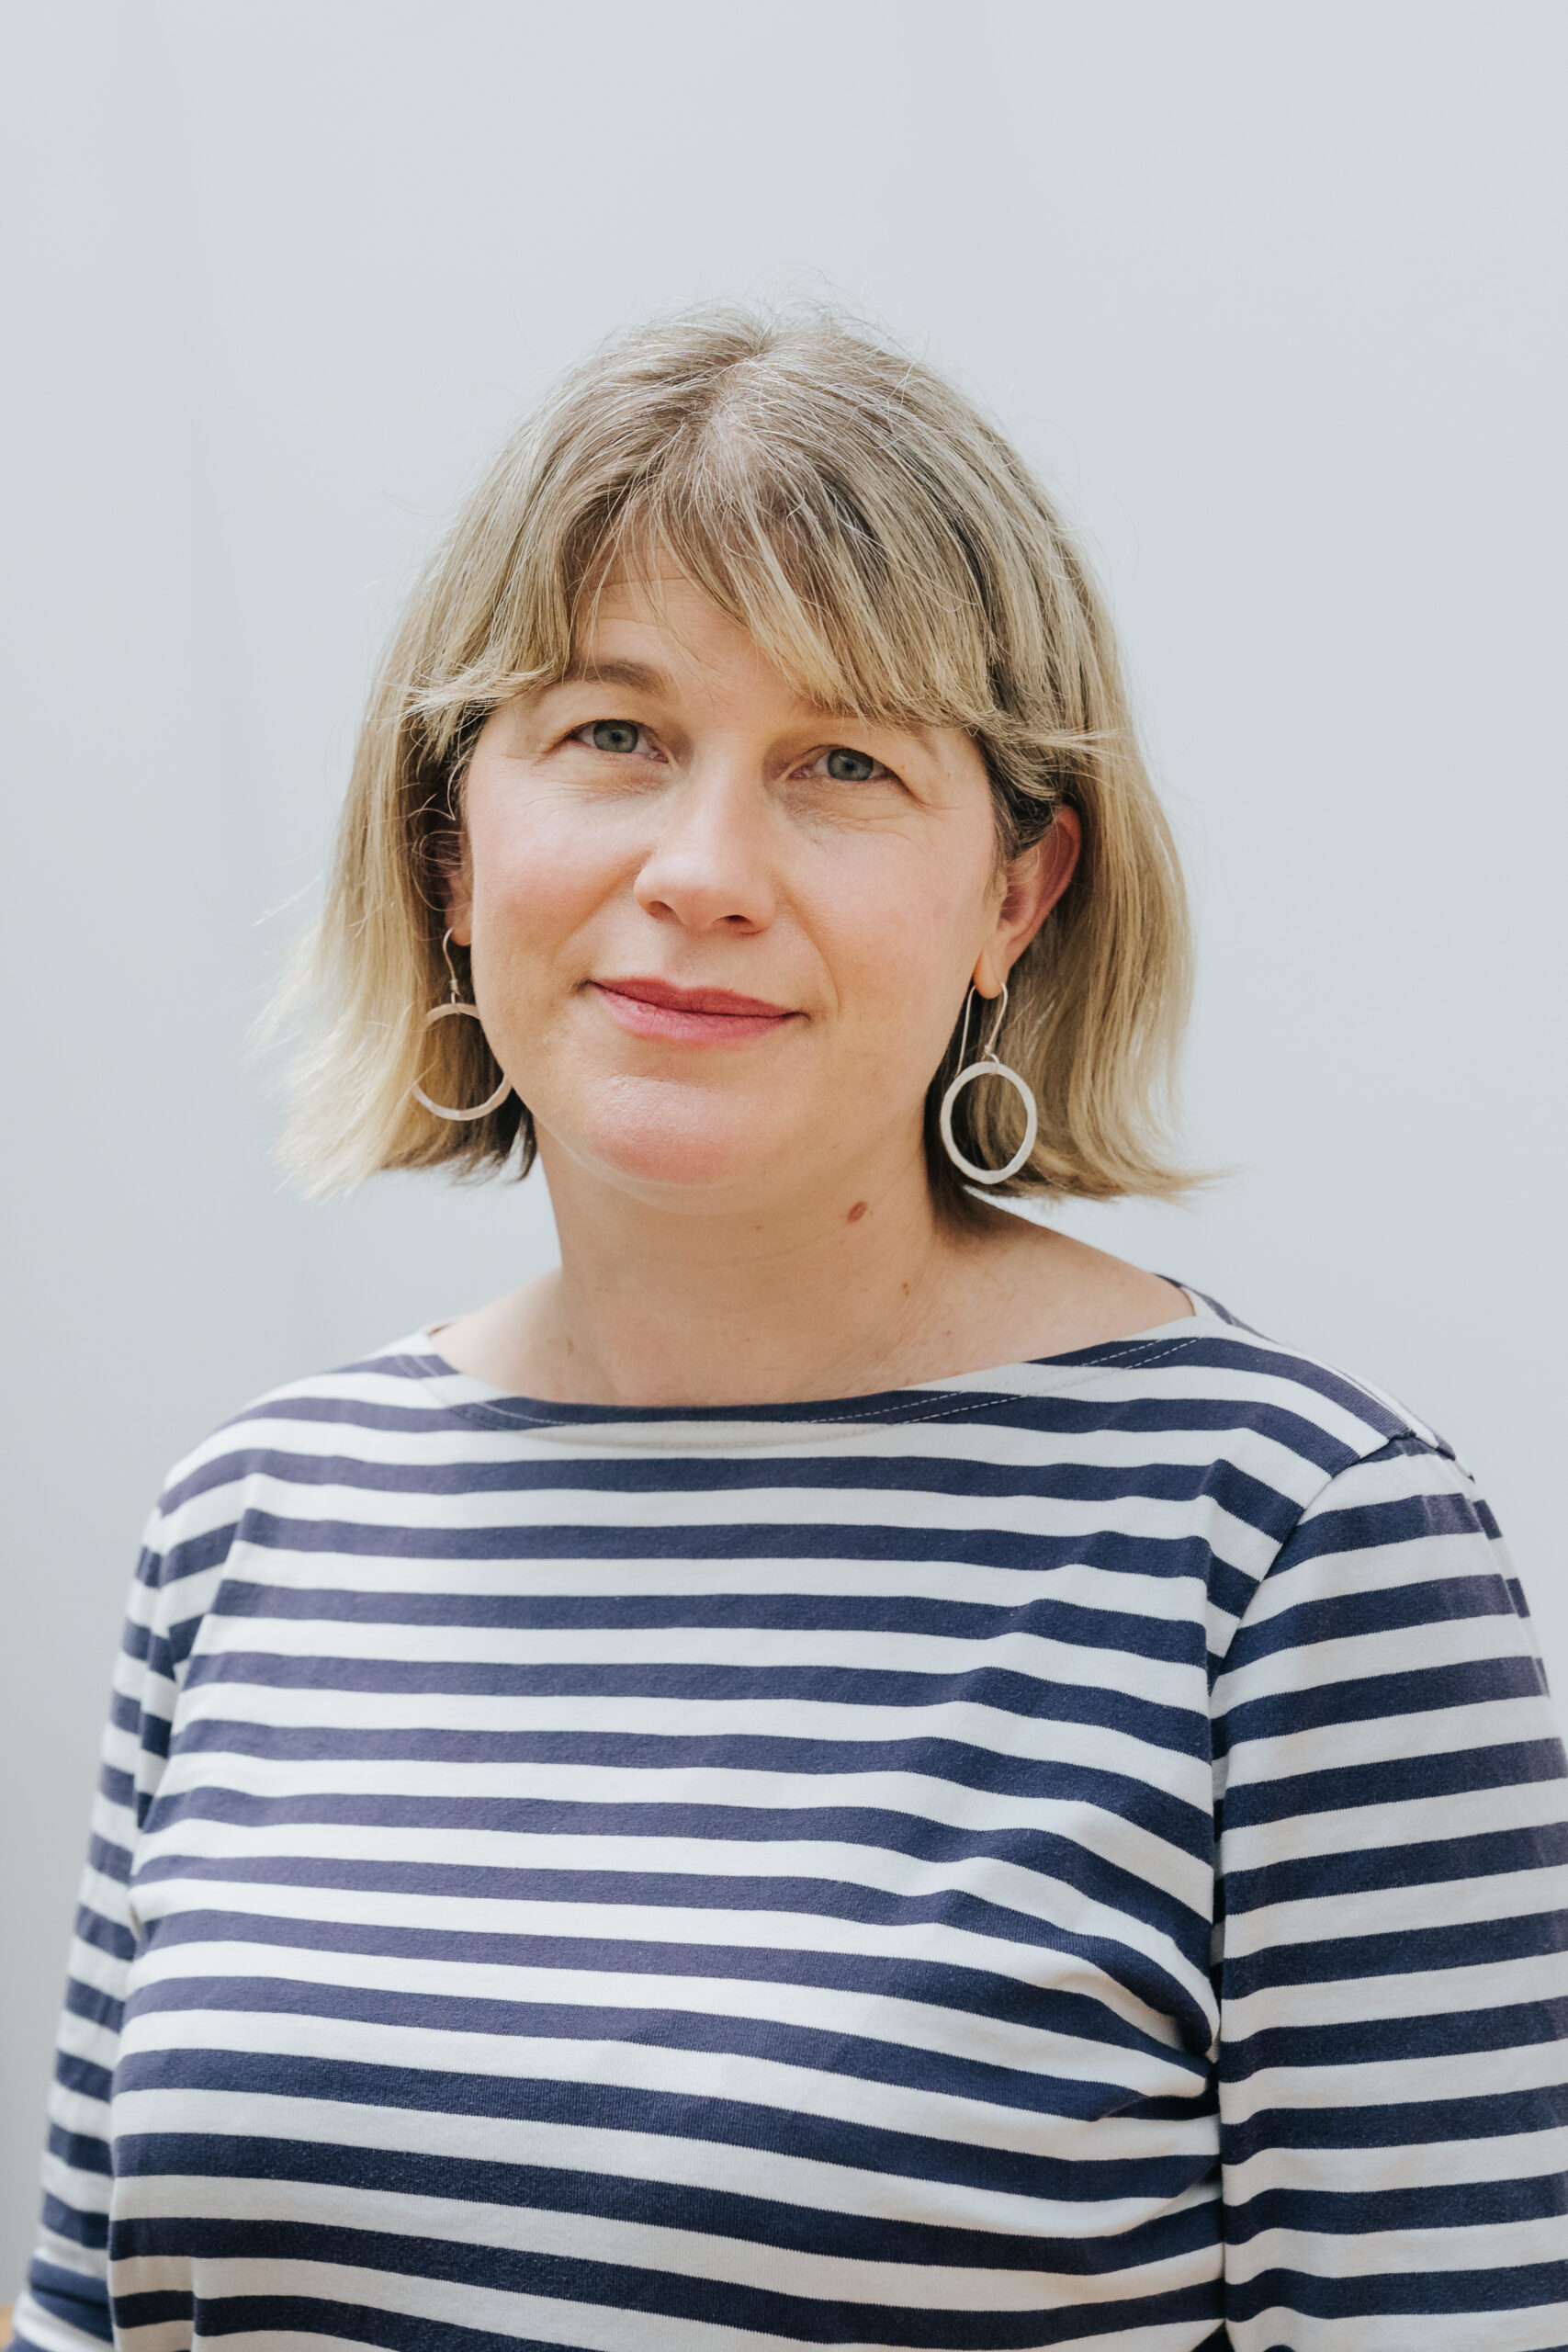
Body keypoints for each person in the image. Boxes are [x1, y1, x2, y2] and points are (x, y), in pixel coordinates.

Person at [14, 307, 1567, 2352]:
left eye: (844, 764)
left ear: (1016, 895)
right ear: (452, 843)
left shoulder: (1291, 1555)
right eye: (613, 734)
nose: (703, 870)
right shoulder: (256, 1522)